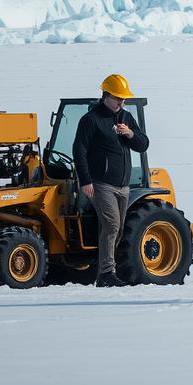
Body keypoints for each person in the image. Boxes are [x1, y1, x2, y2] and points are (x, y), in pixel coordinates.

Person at [73, 73, 150, 288]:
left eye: (124, 99)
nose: (121, 102)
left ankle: (108, 268)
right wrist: (86, 180)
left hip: (124, 185)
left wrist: (131, 134)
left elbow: (143, 144)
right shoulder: (91, 120)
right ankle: (106, 273)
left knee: (118, 228)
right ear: (106, 95)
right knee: (111, 224)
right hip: (101, 183)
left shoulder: (126, 118)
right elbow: (79, 150)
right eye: (118, 98)